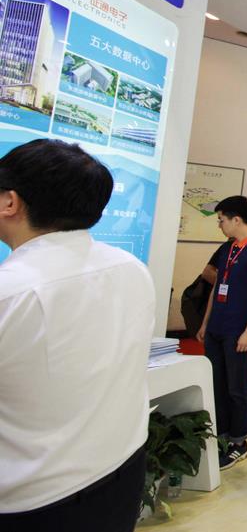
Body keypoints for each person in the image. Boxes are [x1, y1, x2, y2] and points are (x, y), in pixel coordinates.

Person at [0, 140, 154, 531]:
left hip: (35, 499)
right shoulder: (131, 268)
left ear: (10, 202)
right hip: (121, 471)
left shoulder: (11, 291)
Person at [197, 195, 247, 470]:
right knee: (217, 384)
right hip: (217, 327)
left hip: (238, 331)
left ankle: (239, 441)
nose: (220, 225)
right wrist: (206, 322)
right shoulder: (228, 248)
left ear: (236, 219)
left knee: (237, 387)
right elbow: (217, 286)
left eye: (221, 220)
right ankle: (222, 434)